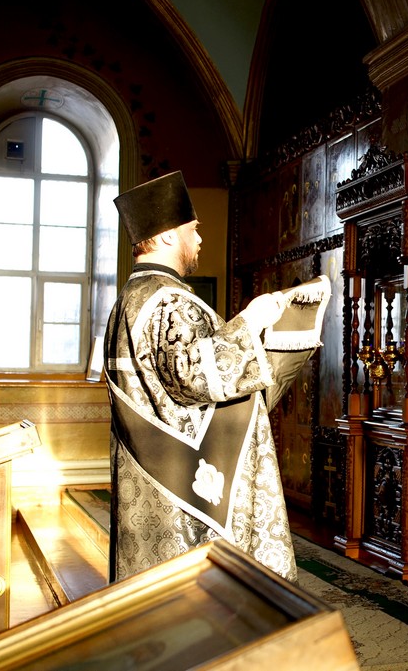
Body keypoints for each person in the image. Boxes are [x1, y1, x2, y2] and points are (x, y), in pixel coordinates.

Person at [104, 170, 328, 584]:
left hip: (152, 479)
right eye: (193, 229)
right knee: (200, 594)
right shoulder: (167, 300)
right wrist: (251, 320)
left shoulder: (129, 300)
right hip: (187, 494)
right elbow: (193, 377)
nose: (200, 239)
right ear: (167, 236)